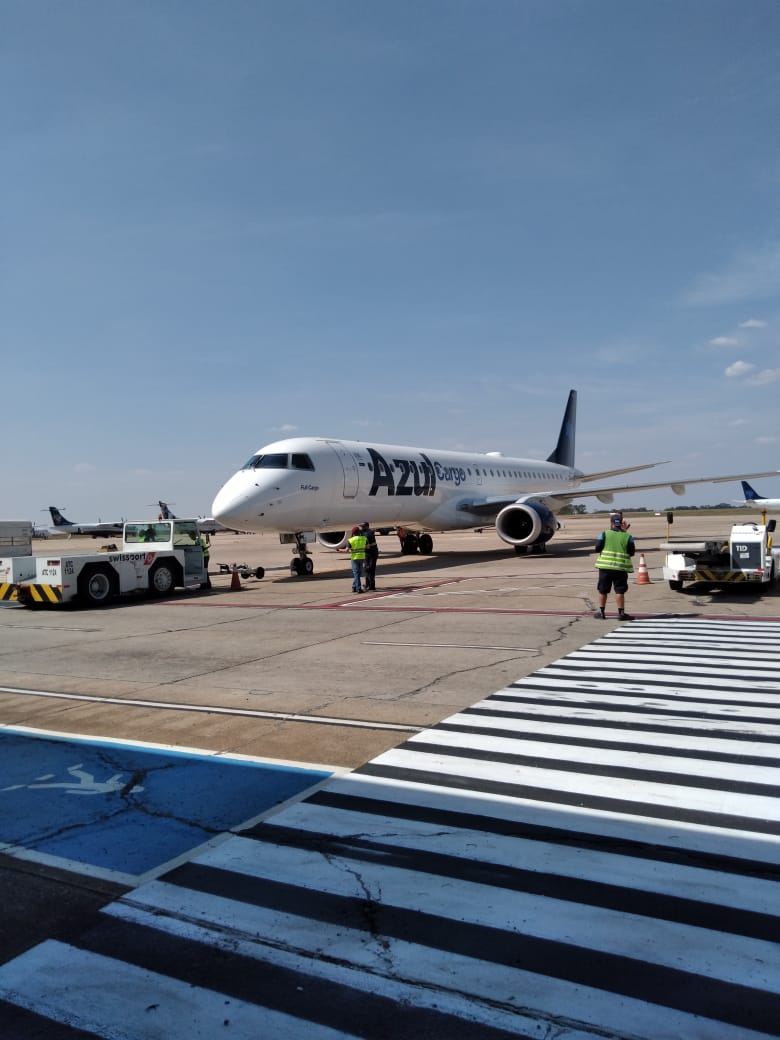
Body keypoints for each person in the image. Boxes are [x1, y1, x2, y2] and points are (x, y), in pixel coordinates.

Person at [594, 511, 635, 621]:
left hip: (605, 568)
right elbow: (632, 552)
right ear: (622, 523)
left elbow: (597, 548)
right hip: (620, 568)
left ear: (611, 523)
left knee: (603, 590)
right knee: (619, 590)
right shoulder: (628, 536)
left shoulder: (604, 534)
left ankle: (601, 613)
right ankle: (621, 613)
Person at [347, 525, 367, 593]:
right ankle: (354, 587)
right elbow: (368, 547)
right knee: (358, 573)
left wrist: (339, 550)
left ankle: (358, 588)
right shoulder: (364, 538)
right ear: (359, 532)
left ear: (353, 533)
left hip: (354, 558)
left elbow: (347, 550)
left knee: (356, 573)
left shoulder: (350, 540)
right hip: (361, 557)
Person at [361, 521, 379, 590]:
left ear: (367, 526)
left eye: (363, 527)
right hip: (373, 552)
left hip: (370, 553)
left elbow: (367, 545)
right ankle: (371, 585)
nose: (362, 528)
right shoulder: (370, 532)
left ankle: (369, 585)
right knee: (371, 569)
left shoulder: (367, 533)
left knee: (367, 569)